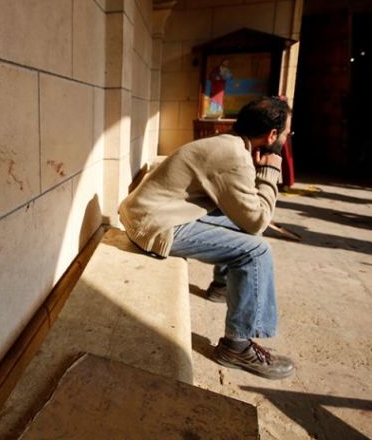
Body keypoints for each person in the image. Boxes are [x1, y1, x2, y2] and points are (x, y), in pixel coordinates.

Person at [118, 97, 294, 379]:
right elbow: (258, 220)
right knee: (256, 251)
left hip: (155, 214)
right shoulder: (234, 157)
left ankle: (223, 287)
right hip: (155, 225)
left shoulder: (231, 145)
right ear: (272, 135)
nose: (286, 139)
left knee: (242, 228)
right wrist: (270, 171)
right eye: (286, 133)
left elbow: (246, 214)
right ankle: (237, 345)